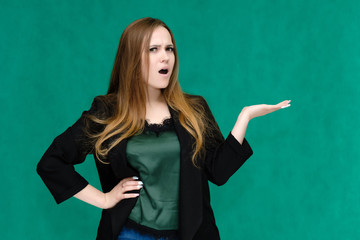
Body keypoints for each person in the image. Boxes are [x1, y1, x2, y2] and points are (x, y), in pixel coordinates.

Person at [37, 17, 291, 240]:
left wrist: (244, 117)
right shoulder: (107, 111)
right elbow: (52, 162)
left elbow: (218, 173)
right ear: (132, 58)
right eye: (154, 49)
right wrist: (104, 199)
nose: (165, 56)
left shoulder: (194, 108)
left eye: (169, 48)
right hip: (130, 233)